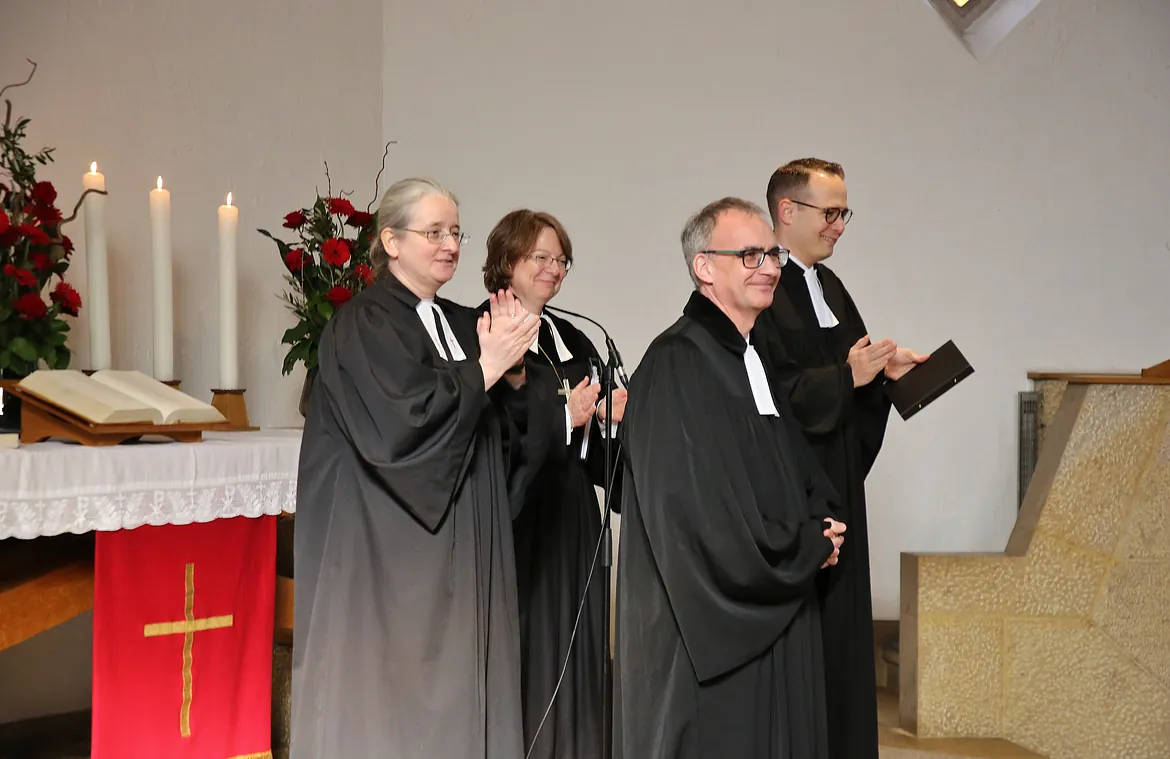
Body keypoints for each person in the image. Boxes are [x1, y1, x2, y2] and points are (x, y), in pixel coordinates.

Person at [292, 178, 541, 759]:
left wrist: (512, 375)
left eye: (455, 232)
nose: (450, 245)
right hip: (394, 547)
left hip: (465, 536)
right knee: (401, 702)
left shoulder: (455, 320)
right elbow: (403, 427)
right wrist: (487, 368)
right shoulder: (365, 323)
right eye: (434, 232)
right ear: (392, 242)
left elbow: (489, 426)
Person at [613, 196, 847, 759]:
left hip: (774, 596)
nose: (768, 267)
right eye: (749, 255)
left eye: (772, 254)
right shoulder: (678, 360)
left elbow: (791, 465)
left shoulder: (748, 356)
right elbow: (695, 513)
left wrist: (822, 522)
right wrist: (799, 548)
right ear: (704, 268)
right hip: (710, 628)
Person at [754, 158, 927, 759]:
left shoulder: (829, 286)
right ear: (787, 211)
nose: (838, 226)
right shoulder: (762, 286)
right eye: (830, 212)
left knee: (842, 635)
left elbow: (849, 376)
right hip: (792, 496)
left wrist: (884, 374)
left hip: (839, 481)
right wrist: (845, 378)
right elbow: (766, 393)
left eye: (844, 213)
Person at [479, 209, 626, 759]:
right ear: (507, 261)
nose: (553, 269)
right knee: (532, 645)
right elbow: (495, 428)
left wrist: (608, 419)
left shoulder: (574, 337)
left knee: (578, 641)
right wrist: (568, 416)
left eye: (560, 260)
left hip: (573, 511)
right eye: (539, 257)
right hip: (520, 512)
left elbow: (592, 440)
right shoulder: (486, 331)